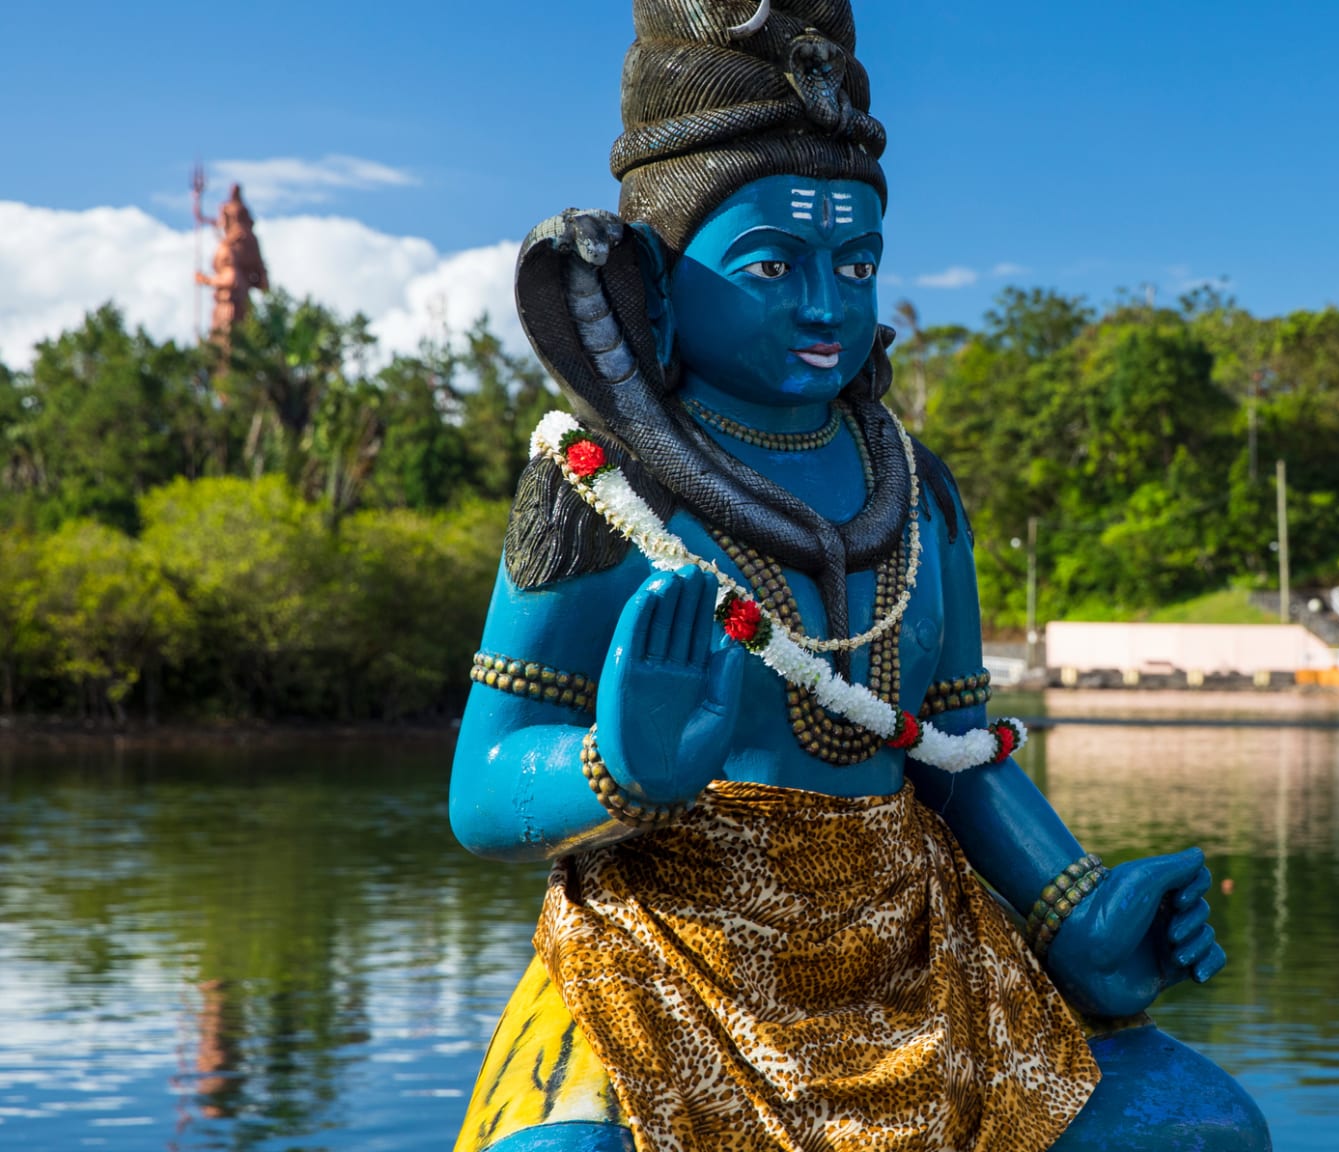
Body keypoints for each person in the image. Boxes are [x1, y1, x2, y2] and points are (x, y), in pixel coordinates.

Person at [448, 4, 1267, 1149]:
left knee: (1196, 1128)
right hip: (666, 961)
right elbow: (483, 789)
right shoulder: (600, 487)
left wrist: (1072, 906)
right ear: (654, 280)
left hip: (918, 955)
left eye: (857, 261)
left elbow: (954, 751)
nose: (828, 305)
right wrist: (613, 770)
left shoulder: (912, 492)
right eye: (773, 264)